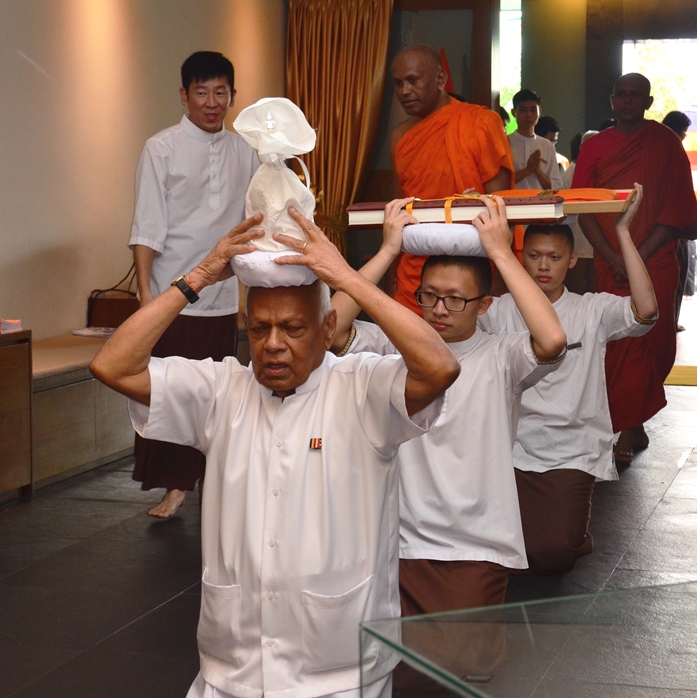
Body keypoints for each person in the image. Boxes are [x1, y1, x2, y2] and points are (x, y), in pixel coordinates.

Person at [90, 211, 460, 698]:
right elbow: (113, 365)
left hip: (338, 669)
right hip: (232, 667)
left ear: (328, 328)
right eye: (260, 329)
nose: (274, 345)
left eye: (293, 328)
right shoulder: (221, 389)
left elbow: (439, 366)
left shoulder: (363, 387)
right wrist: (198, 277)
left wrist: (345, 277)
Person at [330, 196, 567, 614]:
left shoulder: (501, 355)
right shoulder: (394, 348)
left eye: (455, 299)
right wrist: (388, 250)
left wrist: (500, 251)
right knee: (392, 652)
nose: (439, 310)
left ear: (484, 305)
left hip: (476, 542)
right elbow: (330, 330)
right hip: (399, 537)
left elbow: (552, 340)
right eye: (430, 296)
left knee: (462, 650)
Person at [478, 185, 656, 574]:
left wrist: (622, 231)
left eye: (554, 257)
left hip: (571, 449)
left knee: (553, 552)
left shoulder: (591, 309)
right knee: (502, 553)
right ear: (520, 257)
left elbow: (646, 313)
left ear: (572, 260)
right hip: (509, 448)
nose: (543, 265)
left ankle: (575, 537)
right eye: (534, 256)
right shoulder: (498, 310)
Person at [128, 51, 258, 518]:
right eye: (201, 92)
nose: (211, 102)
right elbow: (146, 226)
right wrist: (147, 297)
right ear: (184, 96)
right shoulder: (160, 148)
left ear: (232, 96)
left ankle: (212, 481)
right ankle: (175, 486)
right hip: (172, 296)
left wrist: (249, 295)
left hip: (222, 299)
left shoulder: (246, 152)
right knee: (172, 394)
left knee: (218, 396)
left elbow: (252, 224)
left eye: (221, 92)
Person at [571, 73, 697, 464]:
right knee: (618, 343)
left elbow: (677, 209)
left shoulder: (665, 143)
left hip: (655, 261)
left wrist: (637, 256)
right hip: (610, 262)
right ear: (612, 100)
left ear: (648, 102)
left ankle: (635, 418)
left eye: (635, 95)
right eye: (621, 95)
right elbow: (582, 208)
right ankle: (625, 427)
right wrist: (614, 258)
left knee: (654, 341)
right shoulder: (595, 147)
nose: (627, 101)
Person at [389, 44, 514, 312]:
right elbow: (398, 211)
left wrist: (500, 278)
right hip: (414, 270)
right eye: (398, 83)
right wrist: (391, 270)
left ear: (440, 79)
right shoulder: (400, 137)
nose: (404, 91)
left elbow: (501, 208)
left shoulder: (481, 123)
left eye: (413, 81)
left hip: (472, 265)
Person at [662, 111, 695, 331]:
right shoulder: (670, 152)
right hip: (673, 227)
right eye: (683, 132)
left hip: (668, 225)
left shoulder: (658, 150)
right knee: (675, 278)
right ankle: (669, 321)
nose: (684, 136)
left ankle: (670, 320)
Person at [509, 89, 564, 191]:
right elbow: (499, 184)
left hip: (540, 200)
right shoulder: (505, 142)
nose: (528, 115)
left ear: (540, 112)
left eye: (533, 110)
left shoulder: (547, 145)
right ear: (513, 112)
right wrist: (527, 170)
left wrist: (537, 171)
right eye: (523, 110)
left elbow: (556, 186)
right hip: (511, 200)